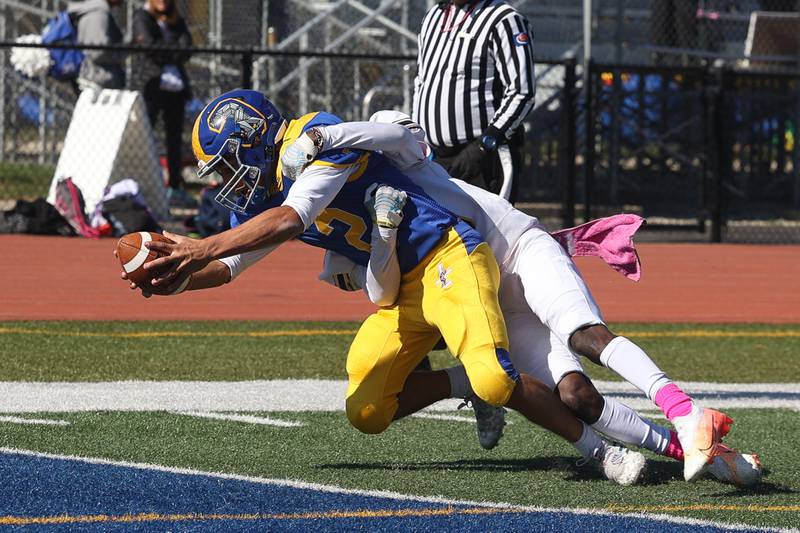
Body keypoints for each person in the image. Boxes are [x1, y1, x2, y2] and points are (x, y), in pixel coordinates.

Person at [120, 88, 650, 485]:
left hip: (447, 254)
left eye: (227, 164)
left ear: (252, 139)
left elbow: (291, 218)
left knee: (497, 380)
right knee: (367, 410)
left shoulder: (313, 140)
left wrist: (197, 246)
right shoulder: (263, 197)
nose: (224, 180)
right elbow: (233, 264)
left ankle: (600, 452)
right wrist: (180, 282)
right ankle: (464, 381)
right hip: (396, 285)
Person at [278, 113, 746, 484]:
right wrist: (380, 241)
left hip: (519, 251)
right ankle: (692, 446)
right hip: (491, 297)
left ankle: (685, 411)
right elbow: (381, 292)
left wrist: (324, 137)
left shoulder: (405, 164)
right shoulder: (354, 228)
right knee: (576, 396)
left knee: (584, 335)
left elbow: (385, 132)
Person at [412, 0, 535, 202]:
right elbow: (422, 81)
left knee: (489, 232)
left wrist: (484, 145)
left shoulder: (504, 19)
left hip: (482, 158)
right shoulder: (433, 16)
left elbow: (522, 91)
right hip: (434, 159)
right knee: (440, 232)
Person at [132, 0, 194, 208]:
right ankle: (142, 185)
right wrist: (173, 51)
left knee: (174, 140)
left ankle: (174, 186)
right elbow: (149, 46)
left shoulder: (177, 21)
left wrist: (167, 52)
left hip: (175, 89)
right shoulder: (142, 18)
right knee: (145, 135)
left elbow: (188, 48)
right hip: (152, 87)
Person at [67, 0, 125, 91]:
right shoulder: (98, 14)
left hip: (94, 80)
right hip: (98, 83)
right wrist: (121, 54)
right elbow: (97, 52)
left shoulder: (94, 11)